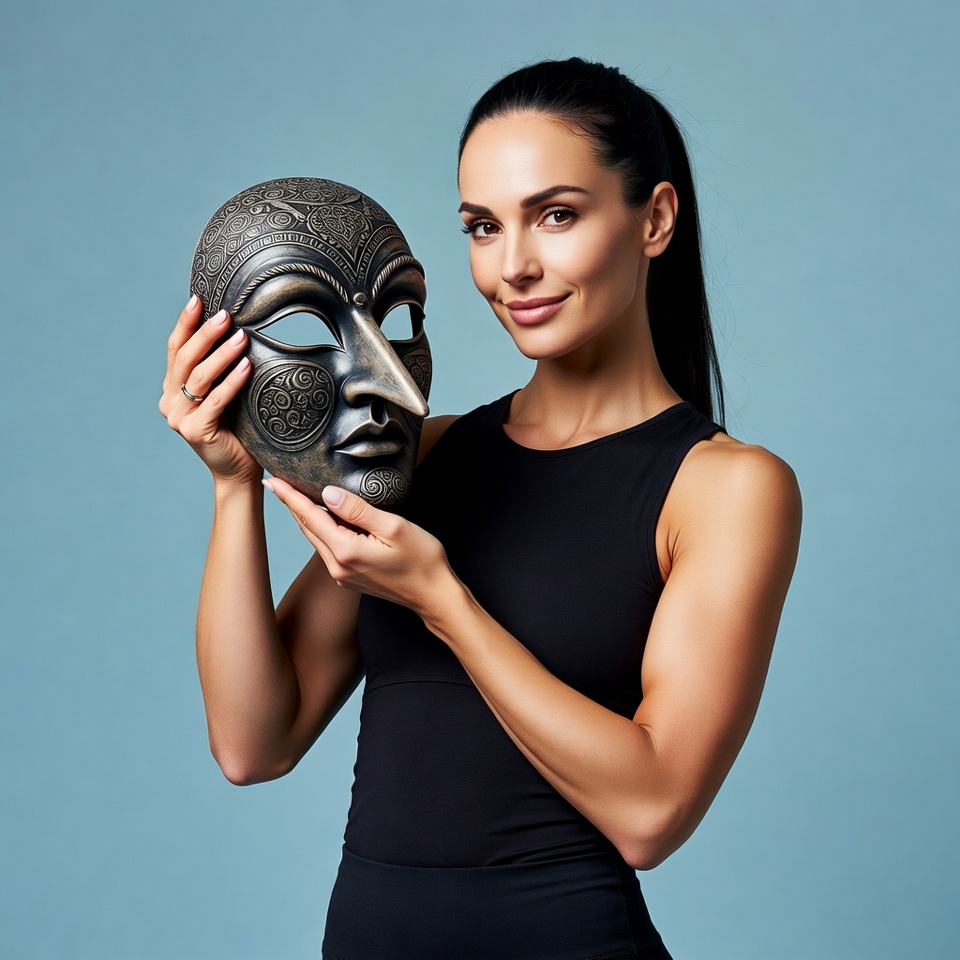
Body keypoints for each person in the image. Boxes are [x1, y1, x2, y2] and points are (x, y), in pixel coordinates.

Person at [160, 57, 801, 960]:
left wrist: (444, 604)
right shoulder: (429, 452)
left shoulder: (725, 486)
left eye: (558, 215)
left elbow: (653, 812)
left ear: (653, 218)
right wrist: (234, 483)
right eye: (482, 227)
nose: (514, 268)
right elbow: (253, 743)